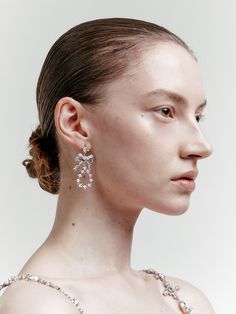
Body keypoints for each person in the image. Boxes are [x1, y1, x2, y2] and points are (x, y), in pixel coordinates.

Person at [0, 17, 215, 313]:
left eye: (197, 117)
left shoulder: (184, 301)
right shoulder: (40, 306)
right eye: (165, 111)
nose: (201, 146)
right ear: (75, 123)